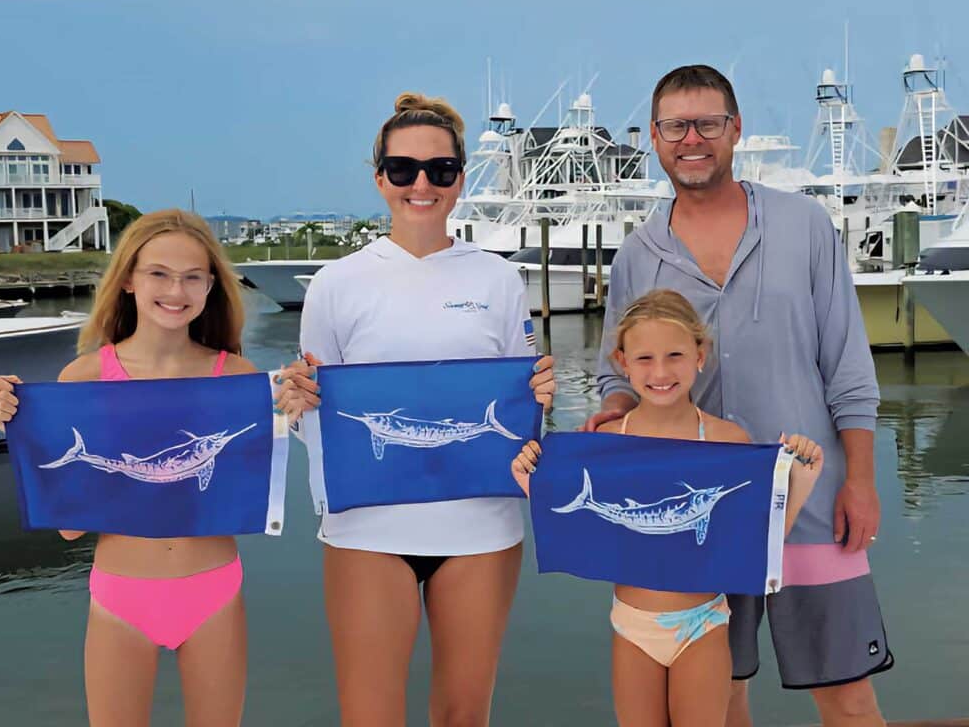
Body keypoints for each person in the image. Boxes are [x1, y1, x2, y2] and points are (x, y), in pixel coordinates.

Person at [586, 65, 891, 726]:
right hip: (700, 523)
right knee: (721, 699)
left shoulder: (805, 225)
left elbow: (848, 367)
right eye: (675, 126)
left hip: (810, 507)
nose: (691, 139)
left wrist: (859, 480)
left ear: (735, 131)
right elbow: (618, 375)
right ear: (655, 138)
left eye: (708, 123)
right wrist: (612, 414)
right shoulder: (637, 255)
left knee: (849, 698)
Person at [277, 92, 556, 727]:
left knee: (464, 717)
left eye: (440, 169)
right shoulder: (335, 284)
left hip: (482, 527)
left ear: (461, 177)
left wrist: (541, 397)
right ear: (380, 178)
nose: (421, 184)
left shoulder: (500, 280)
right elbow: (310, 421)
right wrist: (296, 405)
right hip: (365, 530)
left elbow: (528, 414)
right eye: (403, 169)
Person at [0, 209, 258, 727]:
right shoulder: (84, 375)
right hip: (120, 594)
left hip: (214, 588)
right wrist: (20, 431)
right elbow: (69, 524)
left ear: (210, 288)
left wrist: (295, 407)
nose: (175, 289)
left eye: (192, 276)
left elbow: (248, 483)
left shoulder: (237, 376)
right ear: (129, 279)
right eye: (158, 272)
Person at [512, 288, 823, 727]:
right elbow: (584, 531)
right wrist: (533, 485)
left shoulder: (728, 441)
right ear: (621, 362)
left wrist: (802, 482)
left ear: (701, 354)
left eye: (675, 355)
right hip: (630, 625)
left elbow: (756, 548)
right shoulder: (607, 444)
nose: (660, 372)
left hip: (703, 625)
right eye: (644, 359)